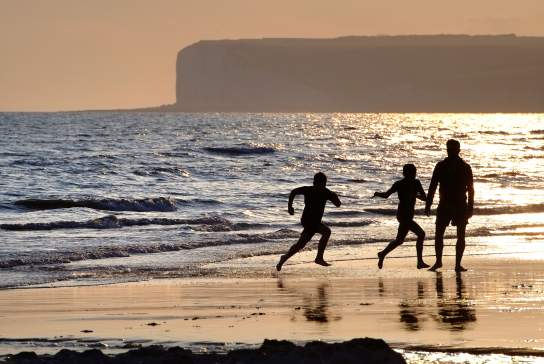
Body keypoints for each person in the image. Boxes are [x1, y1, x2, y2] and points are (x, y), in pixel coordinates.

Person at [425, 139, 474, 272]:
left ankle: (457, 264)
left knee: (461, 235)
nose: (450, 151)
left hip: (460, 204)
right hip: (445, 203)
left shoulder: (465, 167)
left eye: (453, 149)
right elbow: (433, 186)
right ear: (447, 150)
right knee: (439, 234)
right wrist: (428, 203)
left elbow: (471, 189)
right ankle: (438, 262)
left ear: (458, 150)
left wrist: (470, 207)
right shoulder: (441, 166)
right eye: (449, 149)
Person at [276, 172, 341, 271]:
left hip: (315, 221)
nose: (320, 186)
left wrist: (334, 196)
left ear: (325, 183)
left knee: (300, 244)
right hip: (307, 220)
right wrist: (290, 206)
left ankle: (284, 258)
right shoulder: (308, 190)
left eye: (323, 184)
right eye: (319, 183)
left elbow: (338, 204)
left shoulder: (326, 192)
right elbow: (293, 191)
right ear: (314, 182)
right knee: (326, 231)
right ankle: (319, 258)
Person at [373, 164, 429, 269]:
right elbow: (386, 195)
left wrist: (415, 195)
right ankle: (420, 262)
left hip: (408, 215)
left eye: (414, 173)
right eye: (410, 173)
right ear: (404, 173)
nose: (413, 175)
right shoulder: (399, 184)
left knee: (399, 240)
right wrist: (377, 194)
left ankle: (382, 254)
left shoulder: (416, 183)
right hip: (403, 215)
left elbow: (425, 198)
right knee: (421, 234)